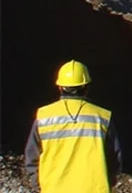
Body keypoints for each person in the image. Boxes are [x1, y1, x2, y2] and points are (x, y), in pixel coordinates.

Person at [23, 60, 123, 192]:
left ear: (60, 87)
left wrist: (40, 185)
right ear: (86, 87)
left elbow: (32, 157)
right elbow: (114, 159)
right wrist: (107, 182)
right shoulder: (102, 117)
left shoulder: (43, 116)